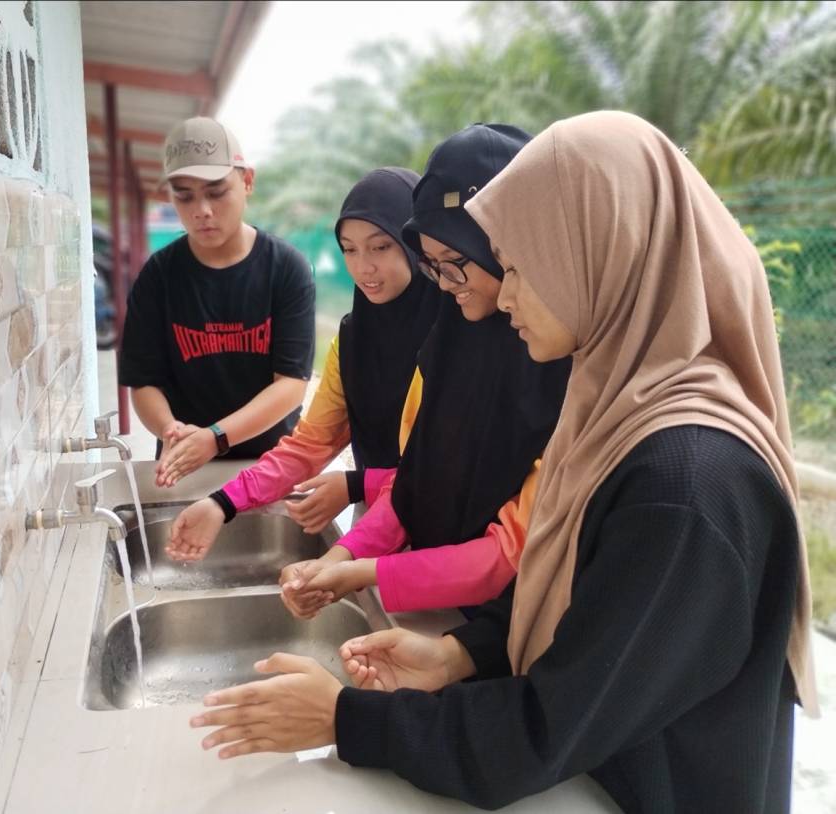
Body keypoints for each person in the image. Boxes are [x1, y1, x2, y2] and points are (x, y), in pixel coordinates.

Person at [189, 111, 818, 813]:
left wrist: (343, 719)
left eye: (517, 265)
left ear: (601, 250)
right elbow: (595, 613)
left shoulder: (688, 483)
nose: (501, 293)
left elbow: (545, 728)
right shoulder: (619, 412)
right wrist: (466, 652)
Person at [278, 124, 570, 618]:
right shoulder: (449, 341)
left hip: (523, 625)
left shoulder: (564, 367)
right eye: (431, 264)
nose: (444, 283)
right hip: (450, 612)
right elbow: (416, 485)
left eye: (456, 261)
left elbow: (512, 550)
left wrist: (363, 573)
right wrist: (340, 557)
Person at [165, 168, 440, 560]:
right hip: (377, 537)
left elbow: (451, 470)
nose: (363, 268)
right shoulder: (353, 340)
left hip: (451, 541)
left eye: (381, 247)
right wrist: (221, 503)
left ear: (416, 246)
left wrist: (355, 485)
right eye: (349, 249)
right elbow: (309, 446)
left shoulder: (455, 339)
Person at [118, 117, 315, 487]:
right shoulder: (158, 277)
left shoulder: (286, 269)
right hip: (185, 466)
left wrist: (216, 437)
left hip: (269, 466)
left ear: (247, 181)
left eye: (216, 191)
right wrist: (170, 429)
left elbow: (291, 384)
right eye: (185, 195)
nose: (201, 210)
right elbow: (144, 383)